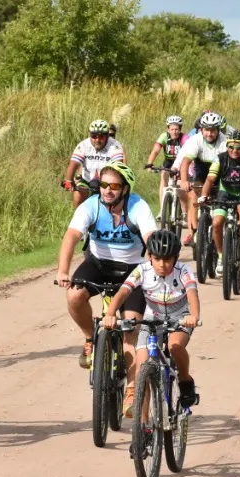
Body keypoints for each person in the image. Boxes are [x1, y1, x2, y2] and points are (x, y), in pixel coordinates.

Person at [55, 162, 157, 397]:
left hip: (132, 269)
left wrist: (152, 260)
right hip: (98, 264)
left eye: (114, 186)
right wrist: (63, 270)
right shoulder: (91, 205)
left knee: (130, 327)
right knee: (74, 295)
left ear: (125, 189)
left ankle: (132, 391)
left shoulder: (138, 206)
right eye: (103, 185)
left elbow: (150, 235)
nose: (107, 190)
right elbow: (71, 236)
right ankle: (91, 337)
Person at [101, 229, 201, 415]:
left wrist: (193, 316)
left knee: (175, 346)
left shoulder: (184, 270)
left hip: (179, 314)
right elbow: (123, 292)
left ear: (176, 258)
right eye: (157, 259)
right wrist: (111, 313)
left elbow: (192, 294)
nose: (162, 264)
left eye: (168, 259)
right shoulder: (142, 270)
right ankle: (143, 427)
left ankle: (185, 380)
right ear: (149, 257)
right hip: (152, 316)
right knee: (142, 370)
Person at [199, 129, 240, 270]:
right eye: (231, 147)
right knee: (216, 222)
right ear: (227, 146)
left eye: (239, 147)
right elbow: (210, 179)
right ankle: (221, 256)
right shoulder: (220, 158)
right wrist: (203, 195)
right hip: (225, 192)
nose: (235, 150)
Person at [172, 111, 226, 247]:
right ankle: (195, 231)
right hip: (201, 172)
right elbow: (185, 163)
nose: (209, 134)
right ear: (201, 129)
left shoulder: (224, 142)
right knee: (193, 196)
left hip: (219, 173)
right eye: (206, 130)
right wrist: (184, 180)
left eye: (213, 130)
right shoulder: (195, 140)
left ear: (218, 130)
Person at [63, 120, 125, 208]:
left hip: (107, 182)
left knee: (110, 206)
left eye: (101, 136)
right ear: (90, 135)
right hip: (87, 181)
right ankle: (78, 219)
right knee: (77, 196)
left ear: (107, 136)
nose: (97, 139)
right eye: (94, 136)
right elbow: (73, 164)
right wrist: (68, 181)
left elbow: (118, 165)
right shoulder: (84, 145)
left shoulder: (114, 145)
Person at [145, 115, 187, 220]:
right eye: (172, 129)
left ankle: (185, 212)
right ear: (168, 129)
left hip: (181, 163)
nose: (174, 132)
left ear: (180, 129)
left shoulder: (184, 138)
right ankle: (162, 209)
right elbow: (155, 151)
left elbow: (188, 153)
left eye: (177, 129)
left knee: (181, 186)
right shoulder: (164, 136)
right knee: (163, 177)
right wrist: (150, 164)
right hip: (168, 162)